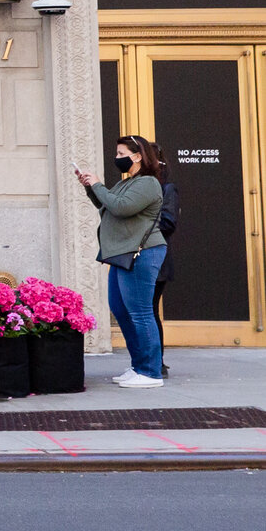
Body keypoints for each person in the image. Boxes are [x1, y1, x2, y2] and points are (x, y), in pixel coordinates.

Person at [76, 135, 169, 388]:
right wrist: (90, 186)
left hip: (141, 252)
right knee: (120, 309)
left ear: (137, 156)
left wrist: (98, 184)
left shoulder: (148, 183)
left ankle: (151, 372)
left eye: (120, 154)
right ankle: (139, 365)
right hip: (122, 253)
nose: (117, 159)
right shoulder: (128, 183)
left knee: (140, 313)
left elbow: (120, 208)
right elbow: (106, 204)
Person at [154, 168, 180, 378]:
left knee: (150, 310)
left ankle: (157, 362)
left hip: (156, 259)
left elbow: (168, 223)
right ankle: (144, 360)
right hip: (136, 259)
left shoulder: (167, 189)